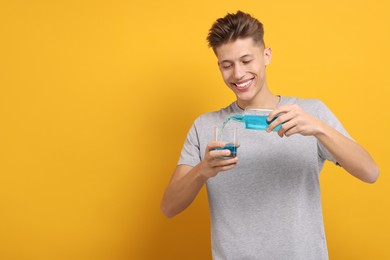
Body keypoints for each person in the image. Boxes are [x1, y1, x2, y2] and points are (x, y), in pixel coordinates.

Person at [160, 10, 379, 260]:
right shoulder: (206, 126)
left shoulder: (309, 113)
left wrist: (318, 128)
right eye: (227, 65)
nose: (238, 74)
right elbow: (168, 208)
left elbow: (370, 172)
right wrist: (202, 170)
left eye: (246, 60)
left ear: (266, 56)